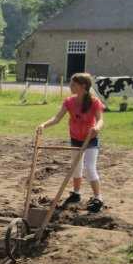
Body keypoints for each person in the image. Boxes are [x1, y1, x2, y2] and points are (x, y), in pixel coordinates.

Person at [37, 72, 105, 213]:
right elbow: (56, 118)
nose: (70, 86)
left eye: (73, 84)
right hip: (75, 138)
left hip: (90, 139)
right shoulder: (69, 101)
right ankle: (76, 193)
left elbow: (100, 119)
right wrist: (43, 125)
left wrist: (97, 128)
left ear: (83, 86)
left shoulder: (94, 102)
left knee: (89, 168)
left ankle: (98, 197)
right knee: (76, 167)